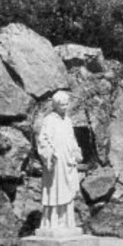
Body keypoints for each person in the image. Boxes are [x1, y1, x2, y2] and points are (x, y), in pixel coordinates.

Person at [35, 89, 84, 235]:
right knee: (55, 190)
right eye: (62, 105)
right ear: (55, 105)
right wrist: (50, 154)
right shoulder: (49, 120)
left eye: (66, 104)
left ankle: (67, 222)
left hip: (68, 161)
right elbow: (42, 140)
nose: (65, 107)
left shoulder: (68, 121)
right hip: (56, 162)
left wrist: (76, 151)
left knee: (67, 189)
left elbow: (71, 139)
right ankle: (53, 222)